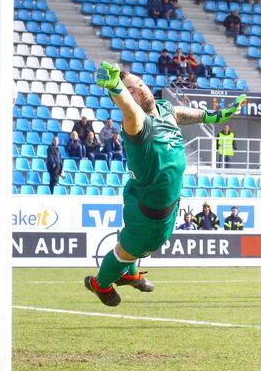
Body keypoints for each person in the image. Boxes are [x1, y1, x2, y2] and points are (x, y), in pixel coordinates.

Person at [84, 62, 247, 307]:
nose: (141, 90)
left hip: (160, 199)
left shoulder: (165, 109)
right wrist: (116, 86)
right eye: (132, 90)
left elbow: (192, 114)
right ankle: (100, 284)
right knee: (131, 249)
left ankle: (129, 275)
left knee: (139, 245)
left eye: (141, 84)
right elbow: (128, 107)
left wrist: (222, 114)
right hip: (149, 205)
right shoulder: (136, 122)